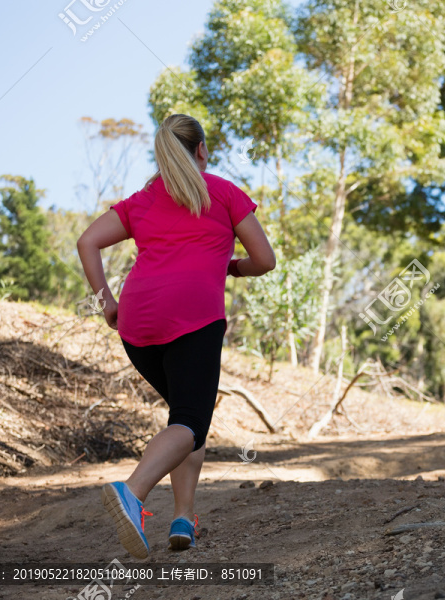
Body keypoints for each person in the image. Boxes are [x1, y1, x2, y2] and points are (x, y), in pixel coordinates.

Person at [77, 113, 275, 558]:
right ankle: (132, 492)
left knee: (186, 420)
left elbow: (86, 242)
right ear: (201, 149)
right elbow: (264, 259)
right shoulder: (221, 192)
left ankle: (184, 516)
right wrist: (231, 267)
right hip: (192, 318)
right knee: (190, 421)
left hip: (136, 322)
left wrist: (106, 303)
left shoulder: (145, 199)